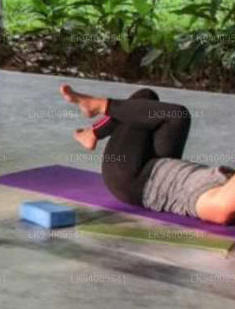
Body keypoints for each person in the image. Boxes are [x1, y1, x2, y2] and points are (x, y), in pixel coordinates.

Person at [62, 84, 235, 224]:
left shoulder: (218, 205)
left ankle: (98, 109)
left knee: (153, 105)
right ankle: (93, 132)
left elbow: (221, 211)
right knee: (153, 102)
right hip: (158, 163)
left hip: (133, 178)